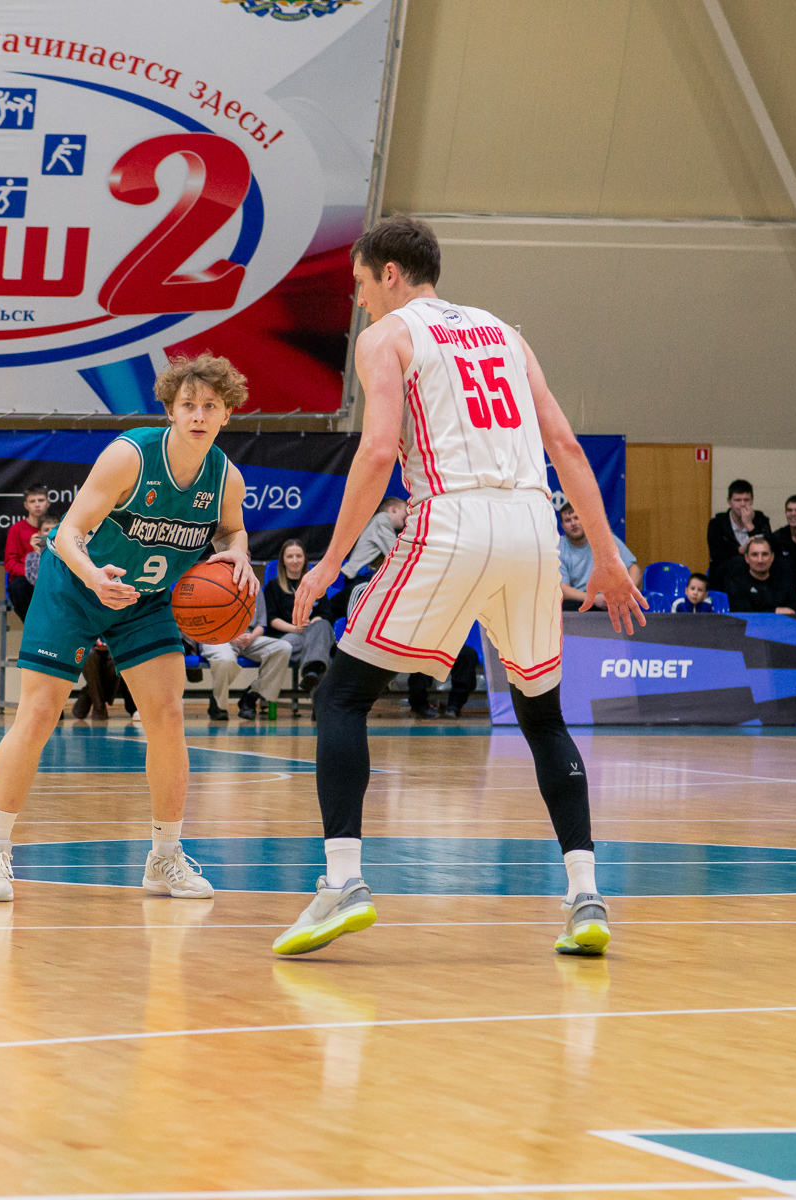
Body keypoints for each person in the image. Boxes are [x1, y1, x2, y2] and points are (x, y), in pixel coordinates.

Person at [278, 215, 644, 959]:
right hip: (533, 525)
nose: (359, 301)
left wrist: (331, 561)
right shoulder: (506, 333)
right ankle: (585, 897)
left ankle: (342, 881)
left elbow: (378, 452)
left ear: (389, 274)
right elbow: (566, 446)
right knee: (543, 718)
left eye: (360, 284)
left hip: (452, 518)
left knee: (342, 695)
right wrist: (607, 556)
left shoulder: (388, 337)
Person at [0, 353, 256, 905]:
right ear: (170, 409)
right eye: (188, 405)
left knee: (168, 716)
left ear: (227, 413)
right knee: (39, 713)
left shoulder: (226, 478)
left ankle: (165, 856)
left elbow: (230, 532)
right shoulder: (130, 456)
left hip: (145, 598)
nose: (198, 415)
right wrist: (94, 578)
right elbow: (69, 533)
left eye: (210, 406)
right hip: (75, 587)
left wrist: (238, 554)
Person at [262, 540, 336, 694]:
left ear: (305, 559)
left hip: (312, 633)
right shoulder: (273, 586)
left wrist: (312, 625)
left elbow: (325, 614)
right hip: (288, 637)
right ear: (283, 560)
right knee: (321, 649)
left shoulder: (316, 585)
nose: (295, 561)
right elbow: (271, 618)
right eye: (290, 556)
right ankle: (314, 673)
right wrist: (295, 628)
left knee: (323, 626)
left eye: (298, 556)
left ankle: (312, 671)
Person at [199, 613, 290, 720]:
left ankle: (252, 695)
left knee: (283, 648)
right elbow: (204, 624)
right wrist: (230, 635)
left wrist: (251, 637)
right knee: (225, 660)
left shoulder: (256, 600)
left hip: (248, 638)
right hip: (217, 637)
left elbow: (261, 626)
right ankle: (218, 703)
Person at [558, 502, 641, 610]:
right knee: (565, 605)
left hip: (610, 598)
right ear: (562, 526)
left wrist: (627, 593)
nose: (573, 523)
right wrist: (593, 599)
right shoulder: (559, 549)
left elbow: (634, 569)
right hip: (581, 601)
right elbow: (563, 589)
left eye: (577, 518)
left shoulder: (605, 539)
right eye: (568, 520)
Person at [3, 483, 52, 620]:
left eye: (41, 500)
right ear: (26, 505)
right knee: (17, 587)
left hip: (51, 577)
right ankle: (33, 625)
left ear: (48, 503)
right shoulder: (16, 529)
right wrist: (30, 572)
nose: (37, 505)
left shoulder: (56, 527)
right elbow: (10, 563)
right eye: (32, 501)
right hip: (26, 580)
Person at [707, 479, 770, 583]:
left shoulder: (761, 519)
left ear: (752, 500)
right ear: (729, 501)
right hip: (725, 575)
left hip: (757, 573)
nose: (742, 504)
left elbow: (767, 547)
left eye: (746, 500)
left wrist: (749, 525)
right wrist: (740, 550)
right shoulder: (717, 523)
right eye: (737, 500)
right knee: (739, 562)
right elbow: (717, 555)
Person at [726, 536, 796, 614]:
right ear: (746, 558)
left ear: (772, 557)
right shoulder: (736, 584)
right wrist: (774, 612)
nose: (760, 560)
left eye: (765, 554)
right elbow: (744, 615)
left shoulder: (784, 581)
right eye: (754, 555)